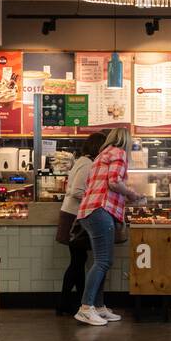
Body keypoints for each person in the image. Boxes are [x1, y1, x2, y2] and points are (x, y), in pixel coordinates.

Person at [73, 127, 146, 326]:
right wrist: (132, 194)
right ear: (127, 140)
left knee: (103, 261)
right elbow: (114, 182)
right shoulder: (119, 153)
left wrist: (125, 197)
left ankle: (99, 307)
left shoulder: (100, 156)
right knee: (103, 261)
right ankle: (86, 308)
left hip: (90, 211)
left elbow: (99, 185)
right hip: (100, 211)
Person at [56, 132, 107, 316]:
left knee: (79, 261)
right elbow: (76, 191)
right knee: (77, 262)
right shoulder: (87, 164)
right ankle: (65, 304)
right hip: (73, 218)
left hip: (73, 216)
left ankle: (75, 303)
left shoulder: (84, 162)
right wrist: (96, 198)